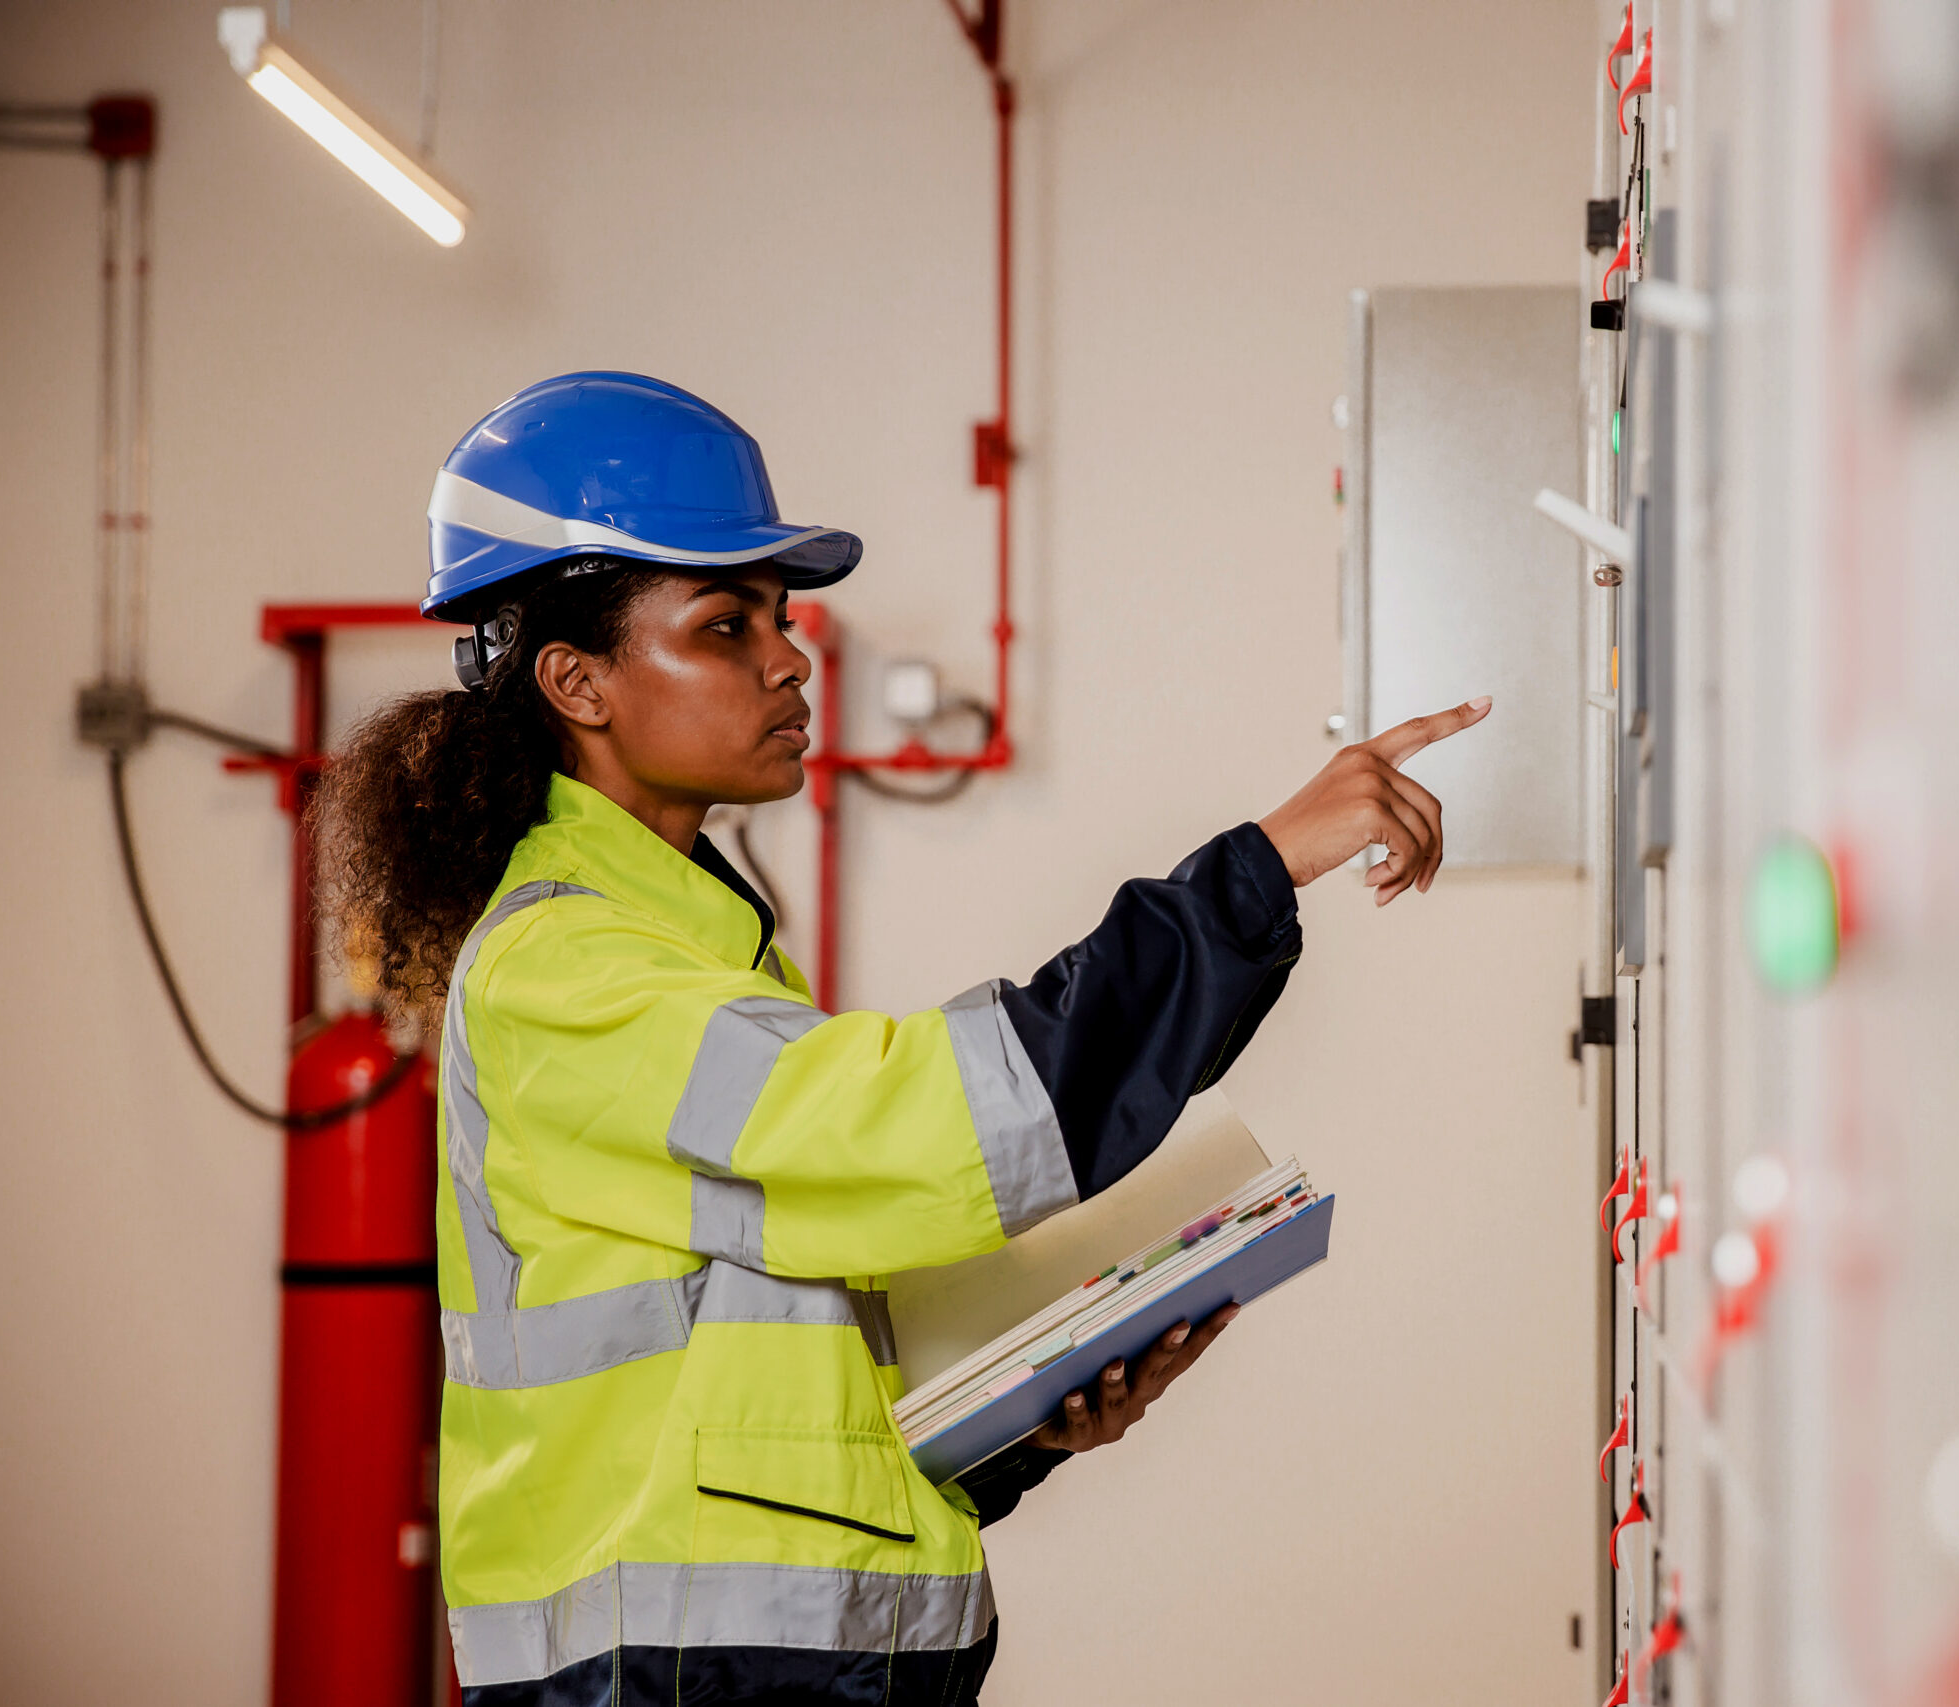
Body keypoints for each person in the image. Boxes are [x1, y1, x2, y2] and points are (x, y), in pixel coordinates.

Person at [313, 372, 1489, 1706]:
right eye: (725, 622)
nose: (789, 656)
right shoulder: (567, 967)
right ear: (577, 681)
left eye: (781, 615)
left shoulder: (690, 950)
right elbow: (933, 1125)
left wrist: (1019, 1430)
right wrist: (1260, 872)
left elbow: (764, 1392)